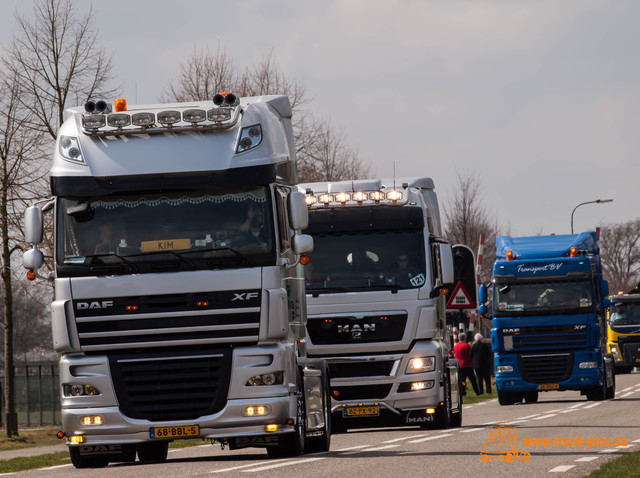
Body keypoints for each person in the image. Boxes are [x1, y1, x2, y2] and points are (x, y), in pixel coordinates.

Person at [453, 332, 480, 396]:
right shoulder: (467, 346)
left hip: (460, 365)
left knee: (462, 380)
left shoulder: (455, 346)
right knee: (473, 380)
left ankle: (462, 391)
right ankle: (477, 391)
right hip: (467, 365)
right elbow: (471, 354)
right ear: (464, 338)